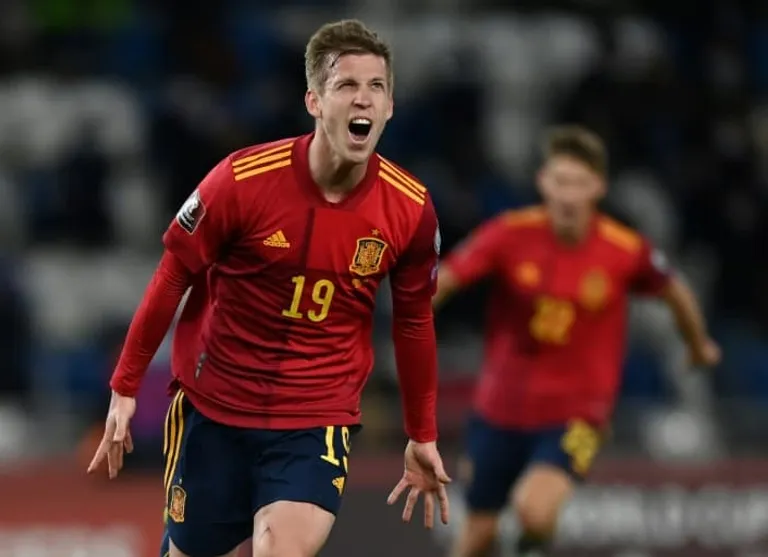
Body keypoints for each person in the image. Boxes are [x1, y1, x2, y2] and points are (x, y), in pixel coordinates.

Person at [87, 19, 451, 557]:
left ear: (390, 106)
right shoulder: (241, 179)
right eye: (347, 85)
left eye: (376, 86)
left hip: (315, 418)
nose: (363, 99)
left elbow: (414, 321)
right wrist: (125, 386)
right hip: (215, 409)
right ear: (314, 101)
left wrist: (422, 432)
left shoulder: (410, 209)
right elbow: (173, 274)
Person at [434, 125, 720, 557]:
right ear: (543, 183)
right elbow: (447, 278)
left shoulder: (624, 249)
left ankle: (530, 545)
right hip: (498, 410)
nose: (568, 195)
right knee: (477, 533)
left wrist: (697, 344)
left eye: (579, 183)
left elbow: (674, 290)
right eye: (561, 182)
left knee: (534, 509)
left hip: (578, 416)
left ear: (598, 187)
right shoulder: (508, 234)